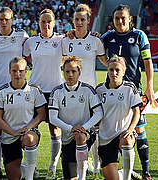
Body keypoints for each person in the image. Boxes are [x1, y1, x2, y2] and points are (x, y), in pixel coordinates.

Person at [101, 4, 155, 180]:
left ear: (130, 19)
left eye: (123, 18)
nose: (120, 21)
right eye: (117, 18)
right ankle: (122, 169)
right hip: (113, 89)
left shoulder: (139, 35)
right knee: (112, 127)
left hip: (134, 90)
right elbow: (92, 46)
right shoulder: (108, 36)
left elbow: (147, 62)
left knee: (138, 129)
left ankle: (145, 171)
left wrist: (149, 87)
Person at [62, 4, 108, 175]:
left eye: (83, 19)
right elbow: (59, 61)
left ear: (89, 21)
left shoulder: (96, 41)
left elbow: (105, 61)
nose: (79, 22)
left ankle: (96, 167)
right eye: (77, 19)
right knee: (69, 129)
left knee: (94, 130)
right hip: (70, 92)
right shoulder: (66, 41)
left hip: (91, 92)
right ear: (73, 21)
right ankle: (67, 163)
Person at [0, 7, 29, 178]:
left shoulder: (22, 36)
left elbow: (29, 54)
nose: (4, 22)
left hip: (17, 86)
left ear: (13, 20)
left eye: (7, 19)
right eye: (1, 19)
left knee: (21, 124)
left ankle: (25, 165)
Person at [23, 8, 64, 179]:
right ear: (38, 24)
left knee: (55, 130)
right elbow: (21, 58)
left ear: (54, 23)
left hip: (55, 91)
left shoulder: (62, 40)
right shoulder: (31, 42)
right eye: (43, 22)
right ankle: (30, 167)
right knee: (29, 129)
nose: (46, 24)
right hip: (35, 92)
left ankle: (52, 167)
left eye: (49, 21)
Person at [48, 56, 103, 180]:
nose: (70, 75)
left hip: (86, 133)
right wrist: (71, 128)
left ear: (79, 73)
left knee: (80, 136)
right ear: (63, 72)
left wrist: (83, 128)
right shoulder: (57, 92)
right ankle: (82, 164)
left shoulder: (88, 90)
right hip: (67, 137)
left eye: (74, 71)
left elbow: (99, 113)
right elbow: (52, 118)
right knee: (70, 176)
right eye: (67, 71)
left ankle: (82, 177)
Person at [0, 57, 46, 180]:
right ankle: (26, 166)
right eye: (14, 71)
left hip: (29, 131)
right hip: (9, 135)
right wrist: (13, 132)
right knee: (14, 177)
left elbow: (41, 115)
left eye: (21, 70)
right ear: (9, 71)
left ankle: (30, 175)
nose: (17, 74)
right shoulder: (2, 91)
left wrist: (28, 127)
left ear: (26, 71)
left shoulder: (34, 90)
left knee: (30, 138)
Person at [96, 55, 142, 180]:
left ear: (124, 71)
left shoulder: (129, 88)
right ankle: (124, 173)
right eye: (111, 70)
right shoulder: (99, 90)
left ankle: (127, 176)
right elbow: (95, 113)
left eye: (117, 70)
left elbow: (137, 111)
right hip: (105, 137)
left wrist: (130, 129)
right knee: (112, 178)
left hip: (123, 133)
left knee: (127, 140)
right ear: (107, 70)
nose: (114, 73)